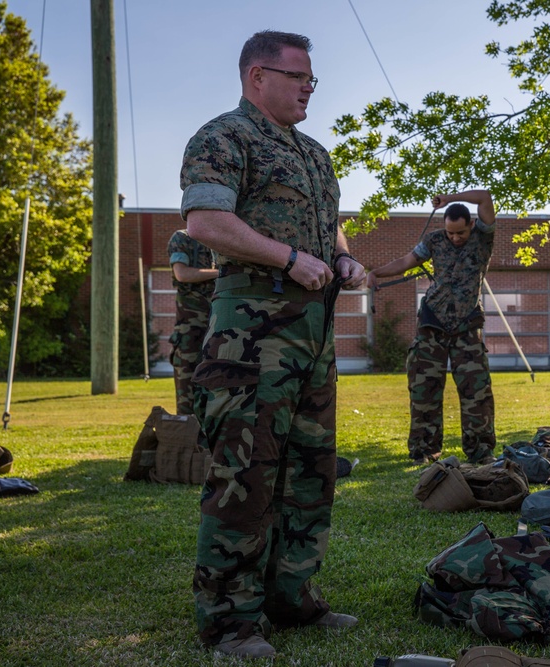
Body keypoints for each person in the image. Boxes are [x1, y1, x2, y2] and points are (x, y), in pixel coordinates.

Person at [179, 30, 366, 659]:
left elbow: (330, 230)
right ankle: (230, 620)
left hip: (312, 335)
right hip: (250, 338)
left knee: (311, 473)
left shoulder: (315, 154)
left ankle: (291, 598)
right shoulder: (223, 138)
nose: (310, 88)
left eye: (313, 79)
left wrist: (342, 261)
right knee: (246, 473)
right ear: (258, 77)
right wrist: (287, 258)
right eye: (299, 77)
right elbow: (206, 223)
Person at [367, 190, 497, 465]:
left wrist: (449, 198)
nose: (455, 238)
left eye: (459, 232)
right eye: (450, 233)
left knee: (477, 390)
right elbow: (406, 262)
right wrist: (376, 272)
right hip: (431, 322)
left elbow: (485, 197)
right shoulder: (434, 240)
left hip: (466, 324)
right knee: (424, 389)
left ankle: (480, 452)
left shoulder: (483, 238)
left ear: (471, 224)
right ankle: (424, 451)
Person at [166, 229, 217, 414]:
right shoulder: (182, 238)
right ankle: (185, 441)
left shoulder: (221, 239)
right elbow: (182, 274)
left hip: (219, 329)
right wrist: (219, 273)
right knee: (187, 402)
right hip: (191, 332)